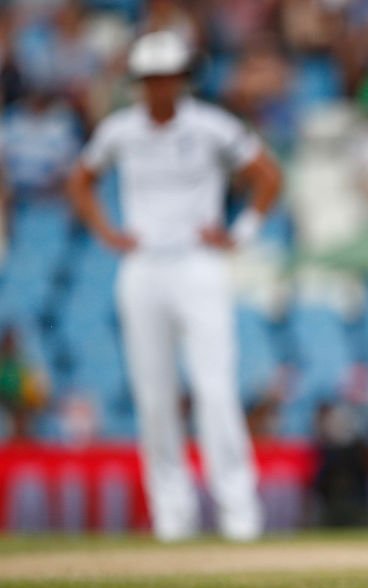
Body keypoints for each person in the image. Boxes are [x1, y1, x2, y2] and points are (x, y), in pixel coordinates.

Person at [67, 31, 282, 542]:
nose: (158, 88)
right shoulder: (120, 131)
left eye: (166, 78)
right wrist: (106, 231)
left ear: (181, 79)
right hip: (143, 265)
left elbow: (267, 175)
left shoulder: (211, 127)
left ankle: (238, 511)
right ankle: (172, 514)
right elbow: (80, 179)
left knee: (214, 389)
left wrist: (240, 233)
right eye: (149, 79)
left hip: (197, 263)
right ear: (140, 82)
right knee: (153, 394)